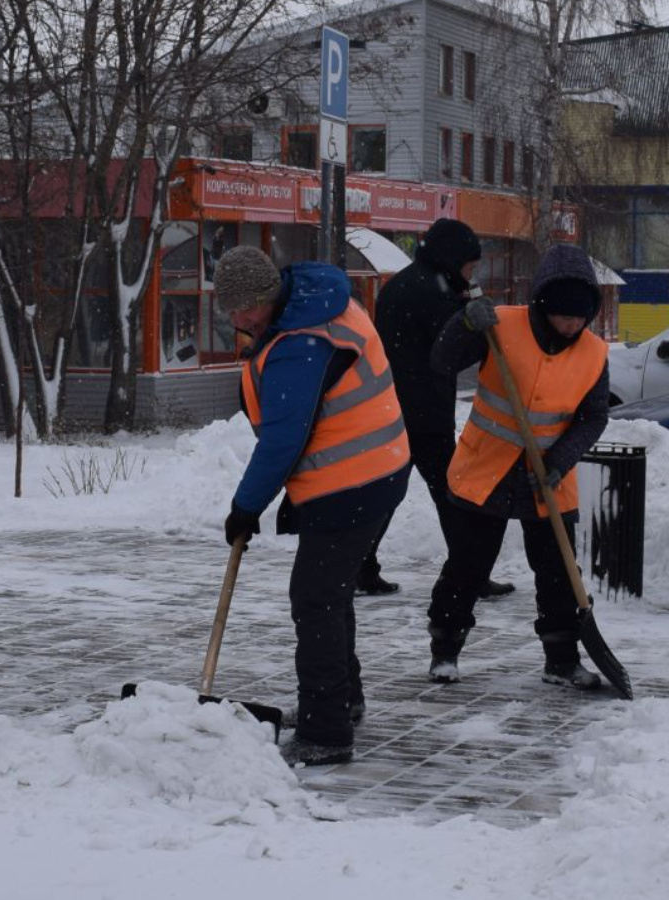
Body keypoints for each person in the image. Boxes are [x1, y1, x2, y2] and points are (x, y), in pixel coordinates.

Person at [216, 246, 410, 768]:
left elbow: (284, 439)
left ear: (267, 297)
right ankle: (342, 700)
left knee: (316, 597)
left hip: (353, 480)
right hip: (378, 467)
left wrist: (245, 507)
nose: (238, 322)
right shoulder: (320, 304)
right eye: (229, 312)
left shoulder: (299, 343)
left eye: (243, 310)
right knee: (331, 591)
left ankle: (327, 731)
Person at [423, 243, 610, 689]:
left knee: (560, 573)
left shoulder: (594, 353)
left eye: (580, 317)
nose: (572, 325)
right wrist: (464, 323)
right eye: (564, 316)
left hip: (549, 477)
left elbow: (593, 416)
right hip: (484, 468)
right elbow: (442, 360)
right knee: (468, 565)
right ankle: (445, 649)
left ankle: (562, 660)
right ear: (544, 305)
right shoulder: (499, 324)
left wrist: (559, 462)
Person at [365, 218, 514, 599]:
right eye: (471, 264)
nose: (474, 272)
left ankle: (359, 568)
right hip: (424, 411)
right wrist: (477, 330)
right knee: (453, 495)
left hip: (394, 407)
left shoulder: (407, 283)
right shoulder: (432, 291)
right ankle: (470, 571)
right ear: (453, 258)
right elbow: (449, 353)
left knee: (386, 494)